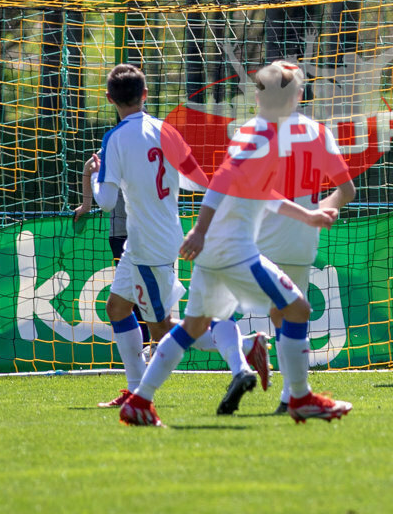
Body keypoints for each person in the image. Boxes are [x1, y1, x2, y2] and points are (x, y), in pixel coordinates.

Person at [119, 61, 351, 426]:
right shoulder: (262, 136)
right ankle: (300, 398)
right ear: (296, 98)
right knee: (298, 309)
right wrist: (199, 229)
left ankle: (139, 402)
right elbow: (223, 180)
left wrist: (306, 216)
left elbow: (257, 190)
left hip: (218, 247)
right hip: (231, 248)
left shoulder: (260, 132)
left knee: (192, 326)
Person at [74, 64, 272, 409]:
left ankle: (245, 346)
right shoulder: (165, 130)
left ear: (109, 99)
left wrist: (94, 176)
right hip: (151, 240)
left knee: (163, 330)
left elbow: (105, 204)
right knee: (117, 308)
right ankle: (134, 391)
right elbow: (197, 180)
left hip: (150, 246)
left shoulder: (115, 139)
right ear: (145, 95)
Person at [256, 85, 356, 414]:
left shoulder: (261, 131)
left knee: (214, 315)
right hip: (301, 241)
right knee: (283, 311)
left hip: (262, 238)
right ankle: (292, 393)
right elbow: (347, 190)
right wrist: (322, 211)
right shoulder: (318, 132)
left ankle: (292, 390)